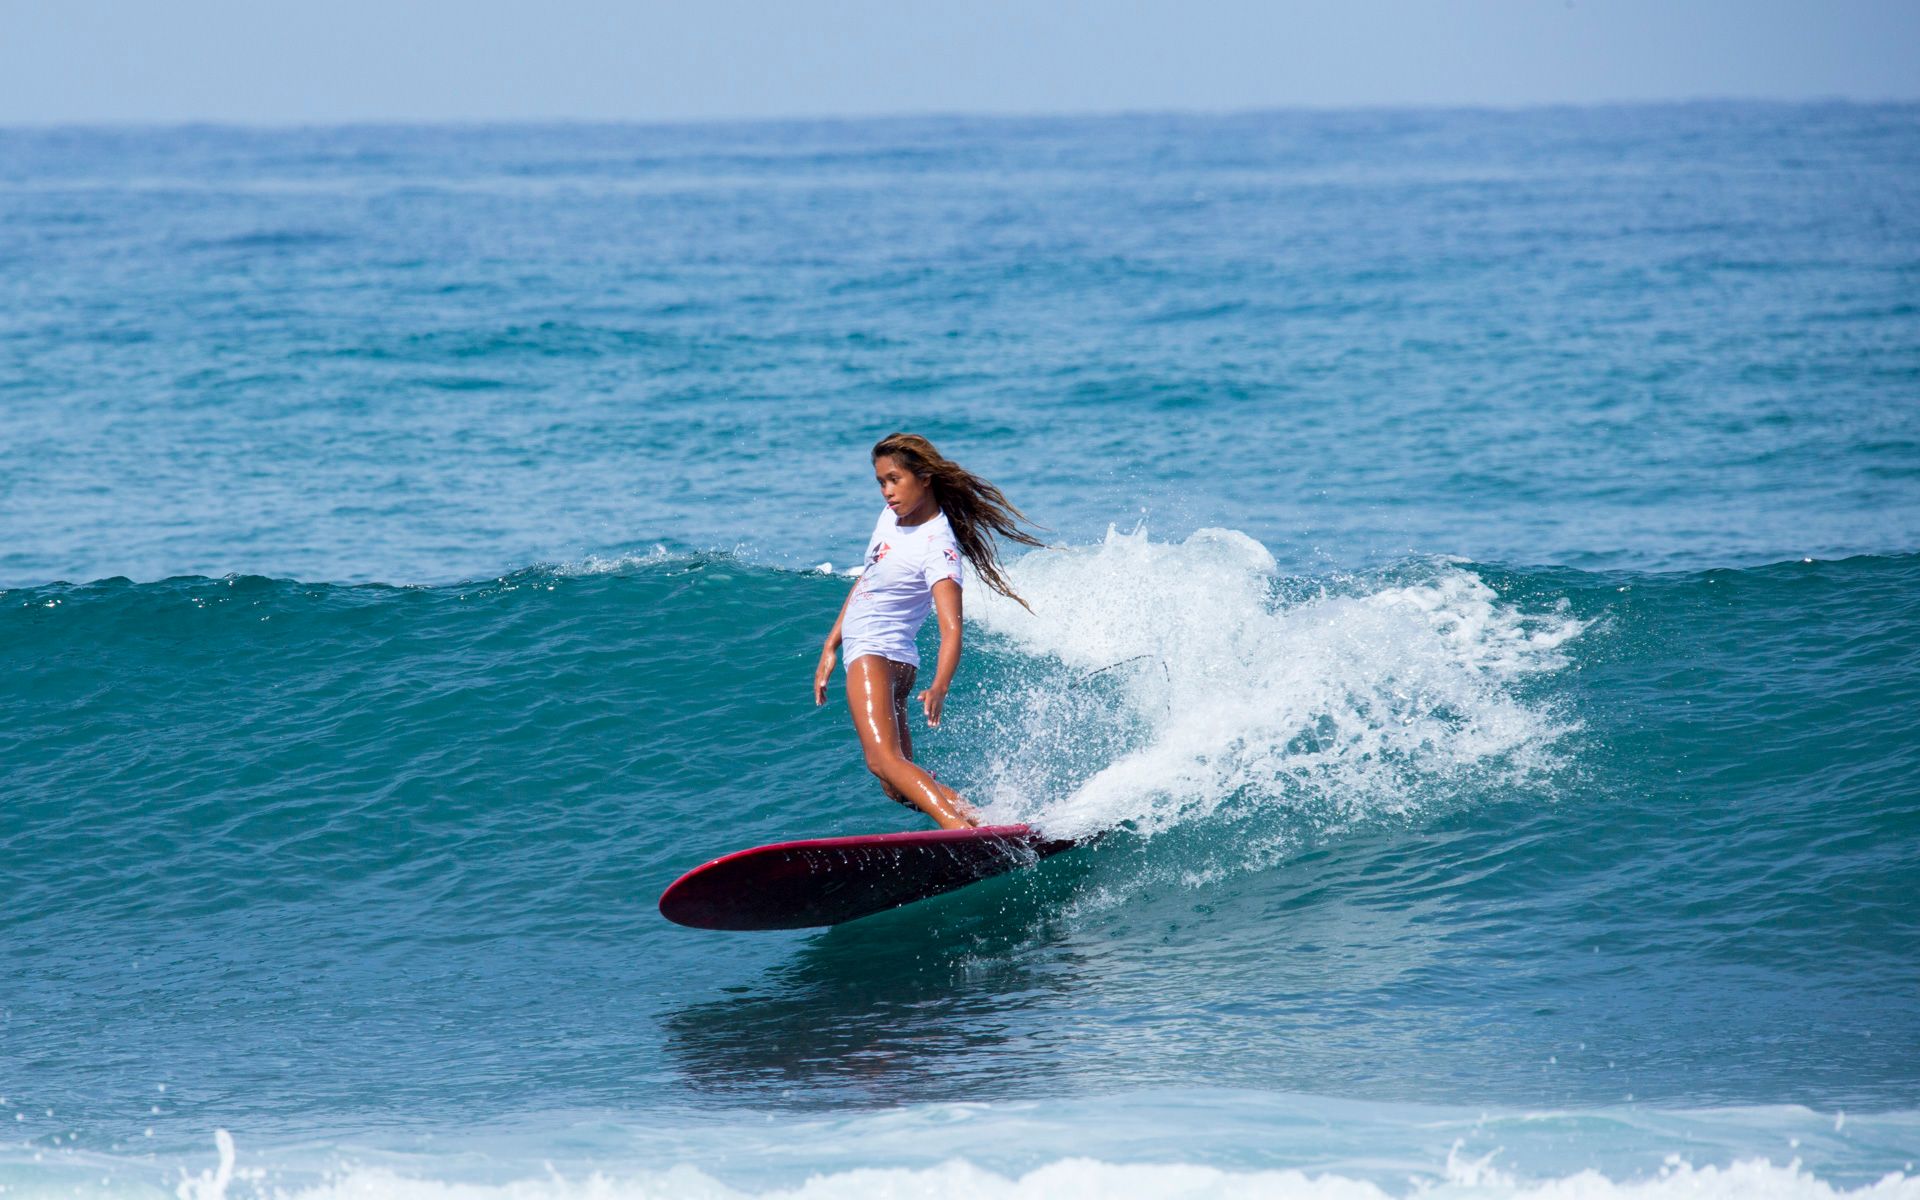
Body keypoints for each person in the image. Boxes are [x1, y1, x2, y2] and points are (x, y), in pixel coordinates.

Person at [813, 433, 1043, 829]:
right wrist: (831, 644)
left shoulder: (938, 546)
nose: (886, 491)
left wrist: (940, 686)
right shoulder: (890, 519)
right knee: (895, 782)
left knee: (882, 760)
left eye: (894, 479)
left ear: (924, 478)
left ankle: (957, 831)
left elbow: (952, 628)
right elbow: (868, 579)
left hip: (877, 654)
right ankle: (981, 822)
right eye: (881, 482)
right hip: (880, 656)